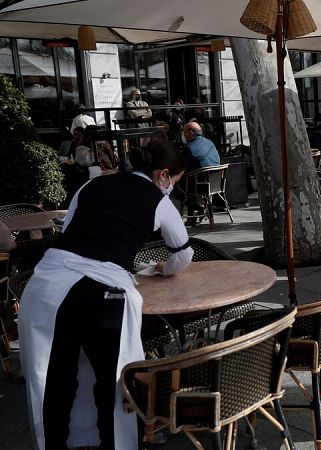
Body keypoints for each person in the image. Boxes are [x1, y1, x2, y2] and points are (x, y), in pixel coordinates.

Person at [18, 141, 193, 450]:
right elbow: (183, 253)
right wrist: (164, 269)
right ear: (164, 175)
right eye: (175, 183)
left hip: (49, 285)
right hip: (105, 292)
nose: (172, 188)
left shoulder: (93, 184)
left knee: (54, 381)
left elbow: (69, 229)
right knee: (113, 385)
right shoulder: (159, 200)